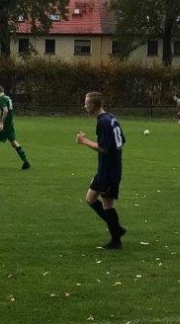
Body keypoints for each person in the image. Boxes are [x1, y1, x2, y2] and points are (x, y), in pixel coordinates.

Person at [76, 92, 127, 249]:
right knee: (90, 198)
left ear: (93, 105)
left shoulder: (103, 122)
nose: (84, 106)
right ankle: (117, 228)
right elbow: (122, 140)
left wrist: (84, 141)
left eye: (86, 103)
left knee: (107, 204)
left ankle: (116, 241)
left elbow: (104, 148)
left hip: (109, 170)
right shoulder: (111, 118)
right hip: (106, 168)